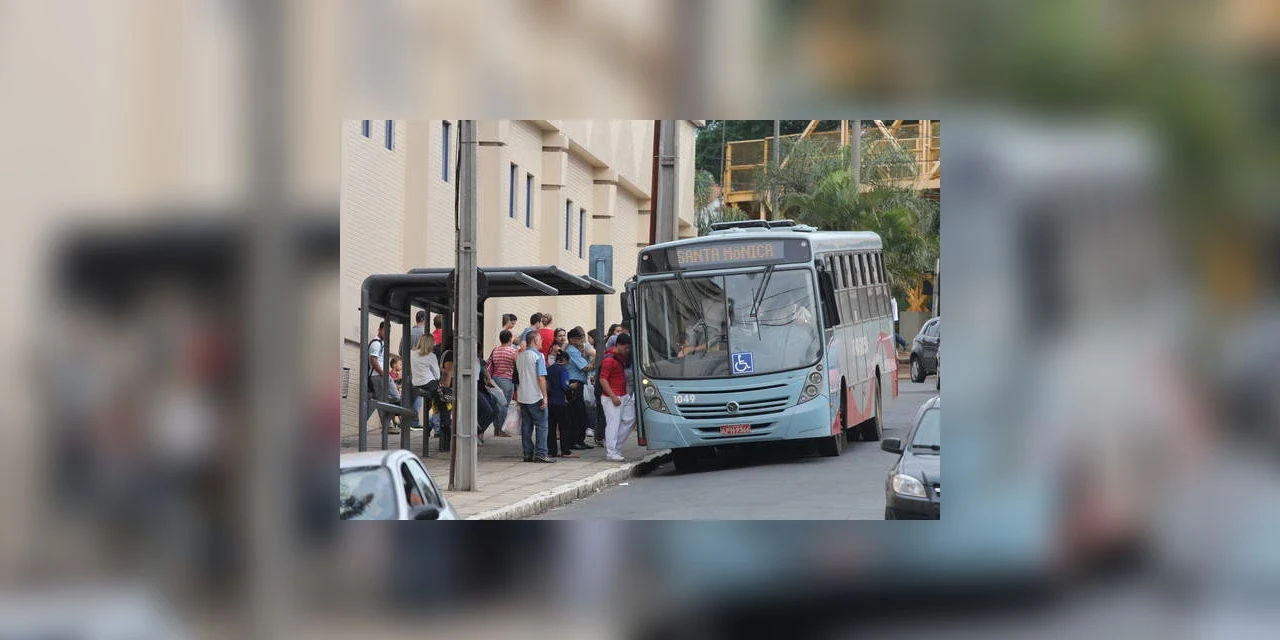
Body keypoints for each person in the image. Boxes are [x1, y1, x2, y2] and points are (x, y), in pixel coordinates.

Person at [515, 331, 555, 463]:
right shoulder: (538, 356)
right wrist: (545, 397)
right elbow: (541, 377)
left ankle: (527, 453)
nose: (542, 341)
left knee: (526, 426)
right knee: (542, 425)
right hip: (535, 395)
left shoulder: (520, 356)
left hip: (523, 395)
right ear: (535, 340)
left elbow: (517, 378)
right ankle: (541, 453)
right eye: (540, 339)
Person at [599, 333, 636, 462]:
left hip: (623, 394)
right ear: (618, 345)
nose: (627, 350)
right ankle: (611, 451)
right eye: (625, 348)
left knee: (630, 418)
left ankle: (615, 447)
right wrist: (613, 396)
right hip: (612, 397)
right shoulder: (609, 360)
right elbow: (603, 379)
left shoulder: (619, 357)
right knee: (613, 425)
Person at [563, 327, 595, 450]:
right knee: (576, 414)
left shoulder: (575, 350)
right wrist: (595, 359)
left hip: (578, 383)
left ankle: (579, 440)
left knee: (581, 413)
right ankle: (574, 440)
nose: (582, 340)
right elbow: (585, 367)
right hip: (574, 384)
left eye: (582, 337)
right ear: (572, 339)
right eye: (579, 338)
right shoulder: (572, 351)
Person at [486, 330, 519, 436]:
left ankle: (496, 428)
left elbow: (490, 363)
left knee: (497, 403)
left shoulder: (495, 350)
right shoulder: (512, 351)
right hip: (507, 379)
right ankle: (502, 429)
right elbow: (517, 365)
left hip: (495, 379)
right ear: (509, 339)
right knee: (504, 404)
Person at [546, 350, 577, 458]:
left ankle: (552, 451)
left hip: (549, 401)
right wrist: (571, 387)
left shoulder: (548, 369)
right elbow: (564, 385)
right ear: (564, 360)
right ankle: (565, 451)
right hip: (560, 401)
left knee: (551, 427)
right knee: (564, 426)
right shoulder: (563, 370)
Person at [365, 321, 393, 434]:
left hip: (380, 375)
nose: (387, 333)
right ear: (379, 330)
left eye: (389, 331)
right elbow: (373, 360)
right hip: (378, 376)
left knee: (382, 400)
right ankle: (387, 426)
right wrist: (383, 373)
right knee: (384, 399)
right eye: (386, 331)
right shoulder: (376, 343)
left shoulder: (382, 343)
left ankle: (387, 425)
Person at [410, 334, 440, 433]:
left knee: (428, 404)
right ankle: (437, 426)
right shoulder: (431, 356)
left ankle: (429, 425)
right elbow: (437, 375)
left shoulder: (411, 353)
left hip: (416, 383)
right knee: (441, 400)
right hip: (429, 383)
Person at [387, 355, 404, 434]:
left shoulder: (399, 374)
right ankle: (395, 423)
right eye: (400, 364)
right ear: (394, 365)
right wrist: (398, 381)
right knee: (393, 410)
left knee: (400, 409)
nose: (401, 366)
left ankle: (402, 424)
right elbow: (391, 383)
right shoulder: (390, 374)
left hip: (399, 394)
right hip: (393, 396)